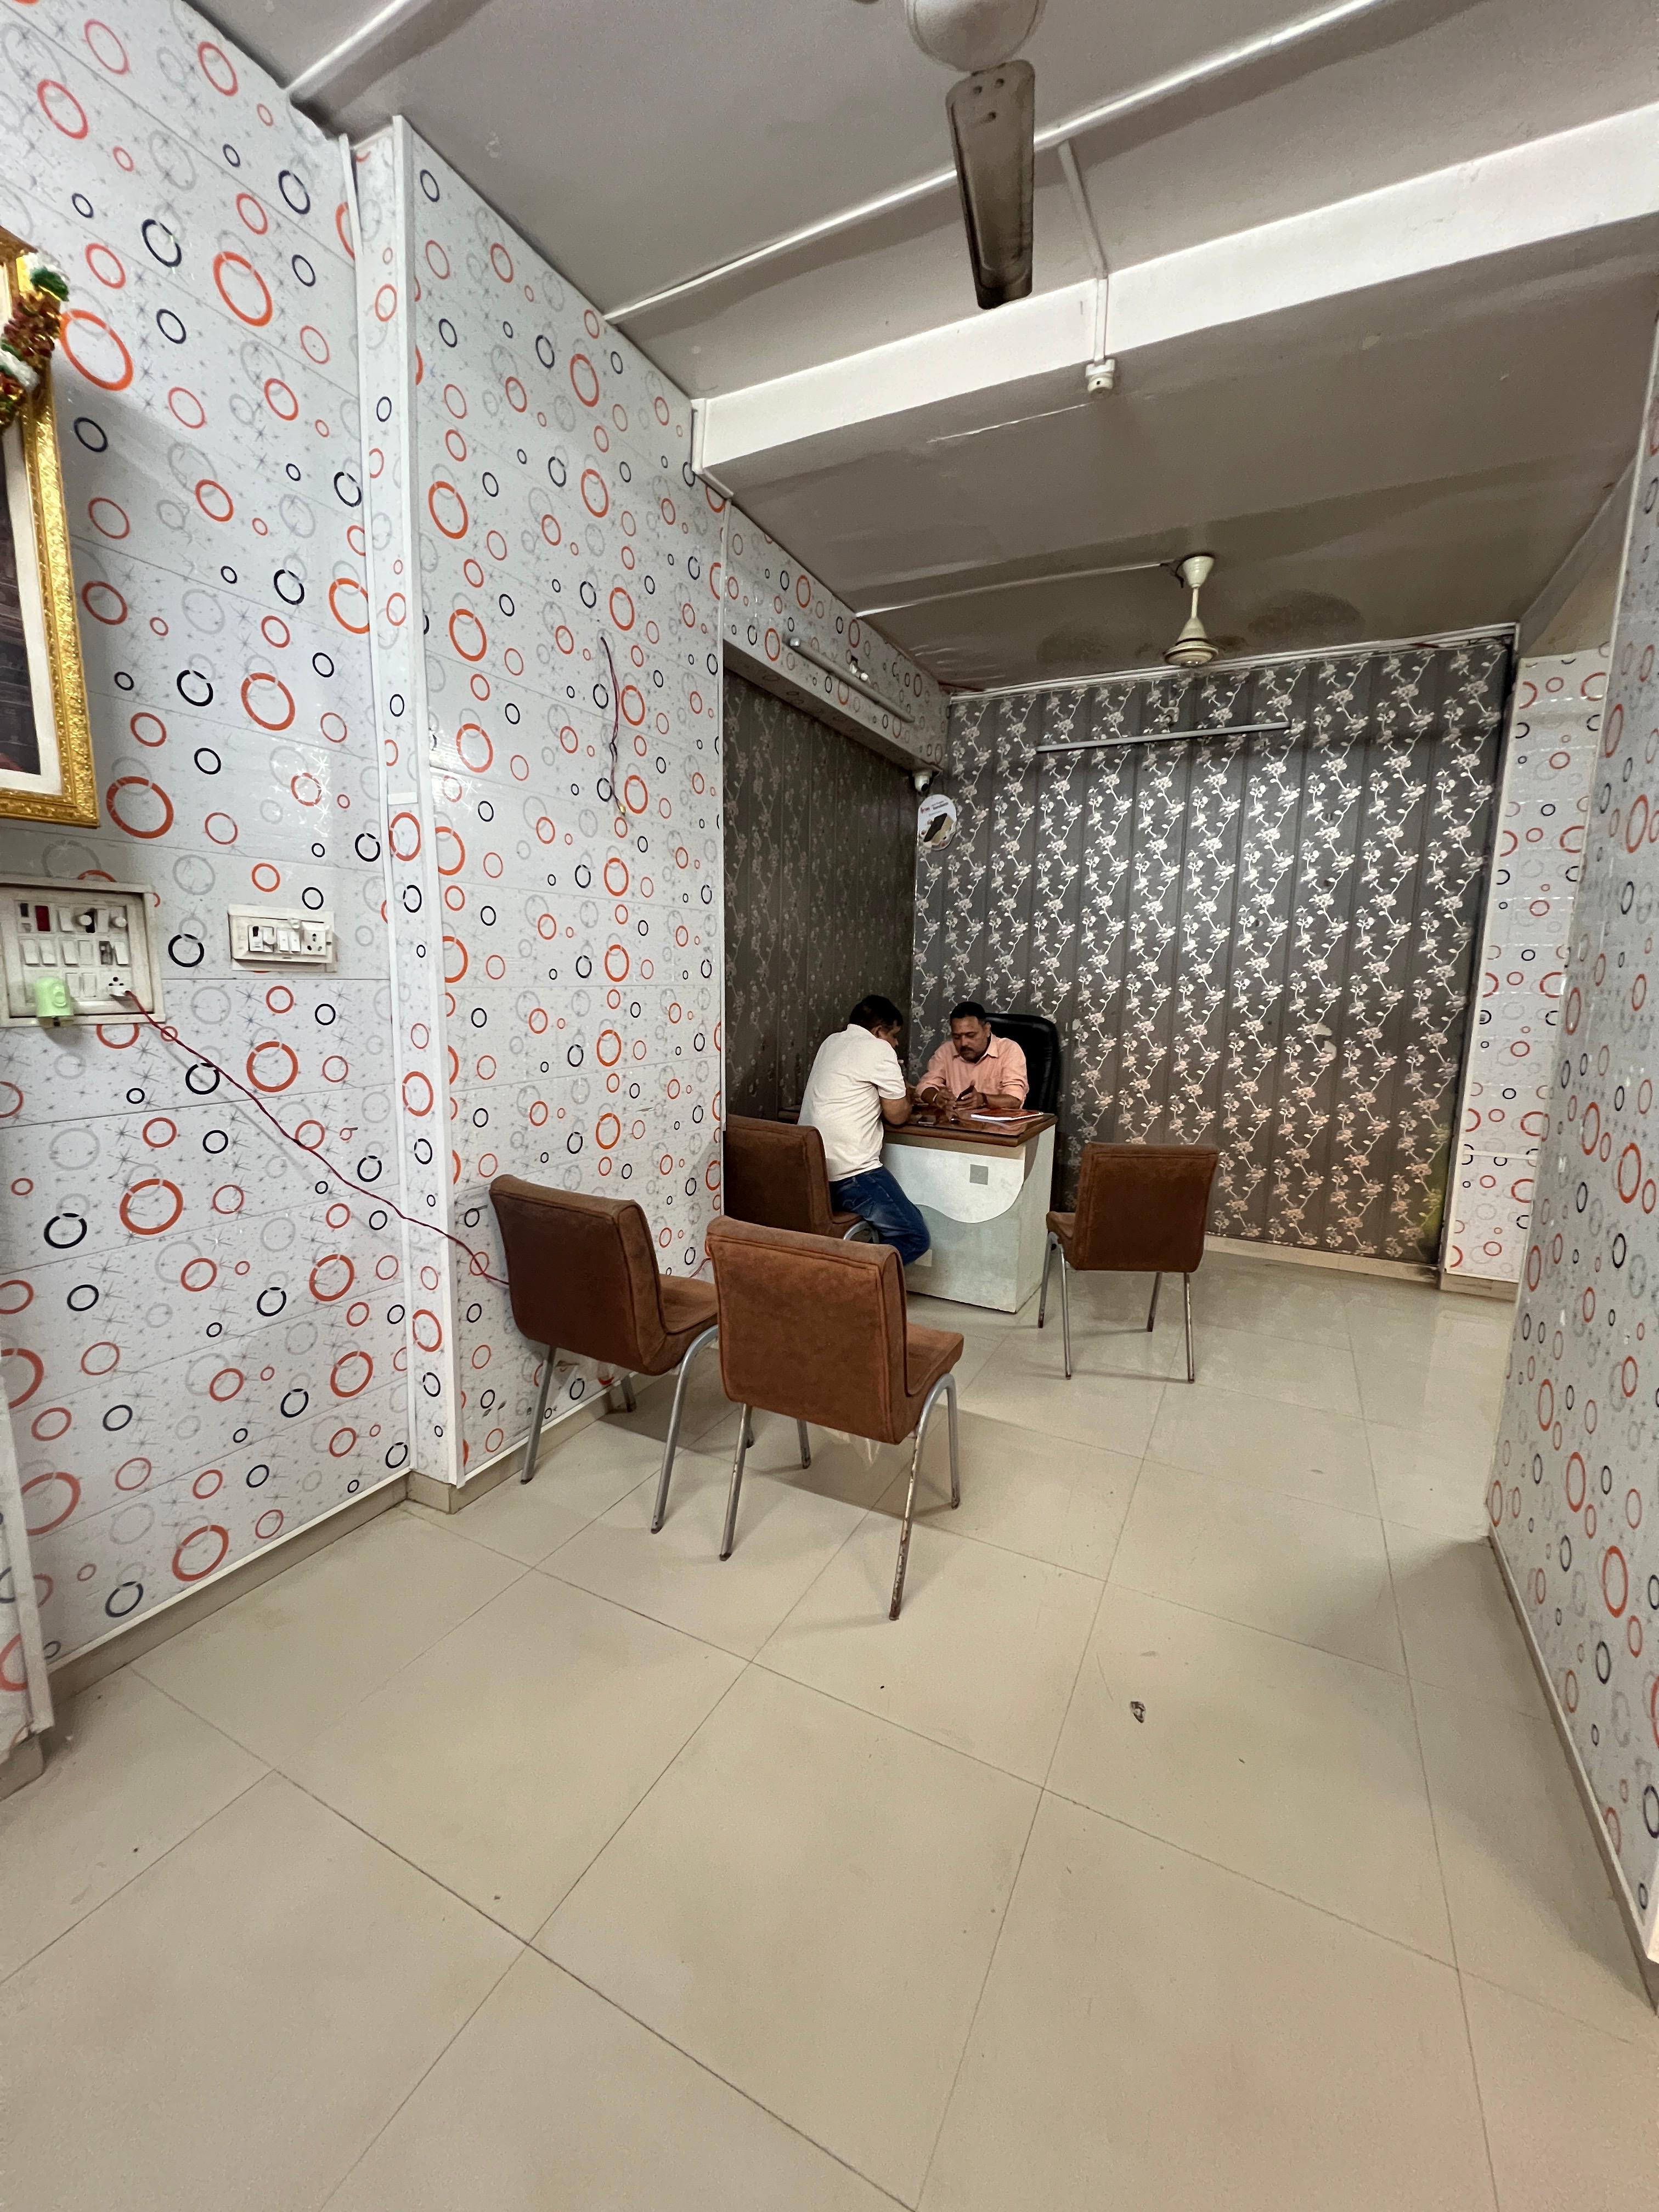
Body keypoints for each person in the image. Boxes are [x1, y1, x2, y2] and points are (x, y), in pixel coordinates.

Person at [798, 994, 930, 1267]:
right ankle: (850, 1282)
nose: (896, 1043)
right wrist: (906, 1098)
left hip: (813, 1173)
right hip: (853, 1175)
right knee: (914, 1237)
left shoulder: (832, 1042)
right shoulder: (879, 1050)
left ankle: (853, 1277)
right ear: (879, 1032)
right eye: (894, 1035)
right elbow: (897, 1116)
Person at [918, 1001, 1029, 1119]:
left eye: (971, 1035)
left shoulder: (1009, 1050)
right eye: (957, 1037)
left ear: (987, 1030)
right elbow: (925, 1086)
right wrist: (936, 1097)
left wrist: (984, 1100)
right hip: (956, 1125)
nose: (963, 1043)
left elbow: (1015, 1100)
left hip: (997, 1127)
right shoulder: (946, 1051)